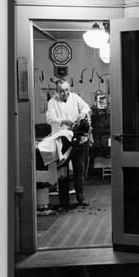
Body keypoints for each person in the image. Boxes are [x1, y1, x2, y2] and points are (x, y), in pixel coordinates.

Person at [46, 79, 91, 208]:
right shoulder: (52, 102)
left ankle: (80, 198)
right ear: (57, 91)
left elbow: (86, 107)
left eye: (67, 90)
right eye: (61, 91)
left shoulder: (75, 97)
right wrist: (63, 121)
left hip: (78, 139)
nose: (65, 93)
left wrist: (81, 116)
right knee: (62, 172)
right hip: (62, 141)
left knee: (79, 169)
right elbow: (50, 119)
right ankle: (64, 201)